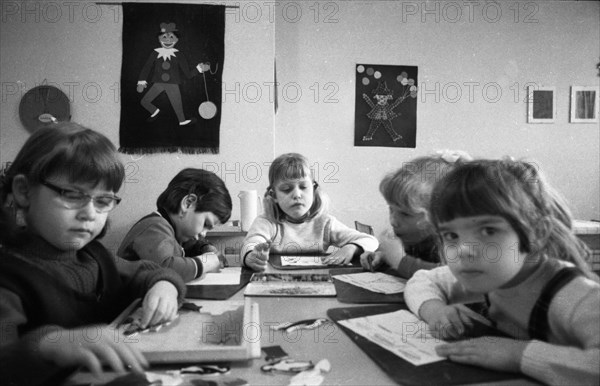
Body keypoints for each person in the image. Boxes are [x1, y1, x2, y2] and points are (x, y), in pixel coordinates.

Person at [0, 123, 186, 385]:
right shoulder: (9, 277)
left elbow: (148, 271)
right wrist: (51, 344)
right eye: (73, 195)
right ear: (23, 191)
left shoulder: (95, 257)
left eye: (102, 201)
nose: (90, 213)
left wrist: (165, 286)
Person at [404, 158, 599, 385]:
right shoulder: (492, 273)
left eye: (488, 230)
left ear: (537, 233)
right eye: (451, 236)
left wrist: (519, 355)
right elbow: (422, 280)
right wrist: (435, 311)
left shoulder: (576, 297)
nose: (464, 250)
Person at [241, 153, 378, 271]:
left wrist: (351, 248)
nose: (297, 195)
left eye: (303, 187)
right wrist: (251, 256)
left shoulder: (325, 223)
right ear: (274, 195)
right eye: (286, 189)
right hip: (277, 284)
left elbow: (369, 240)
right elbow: (251, 243)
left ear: (313, 189)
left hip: (319, 284)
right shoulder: (266, 222)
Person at [360, 150, 471, 278]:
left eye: (405, 214)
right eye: (391, 209)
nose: (393, 220)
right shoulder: (415, 236)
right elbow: (405, 255)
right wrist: (383, 256)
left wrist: (399, 261)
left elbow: (449, 277)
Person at [118, 168, 232, 283]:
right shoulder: (154, 227)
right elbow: (165, 268)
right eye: (206, 224)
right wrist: (206, 262)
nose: (203, 233)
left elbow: (191, 246)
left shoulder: (174, 233)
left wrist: (205, 248)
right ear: (188, 203)